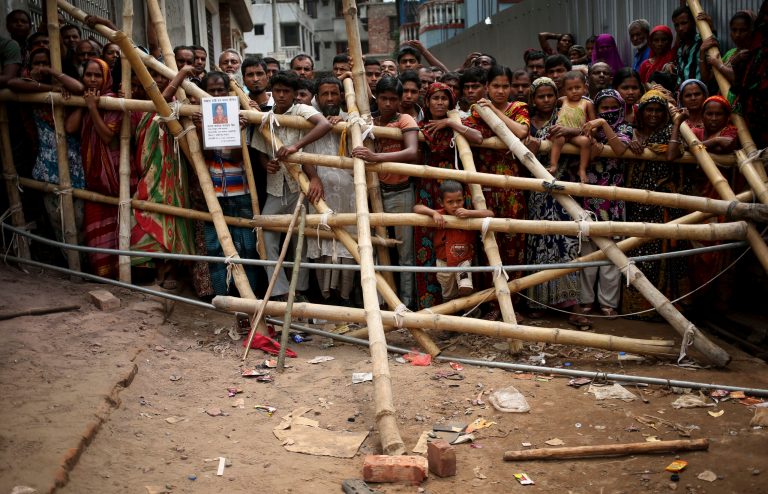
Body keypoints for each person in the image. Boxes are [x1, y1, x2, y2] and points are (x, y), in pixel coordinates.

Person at [251, 70, 331, 301]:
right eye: (278, 91)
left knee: (300, 243)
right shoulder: (266, 118)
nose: (282, 95)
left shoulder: (301, 111)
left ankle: (301, 291)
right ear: (272, 92)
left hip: (300, 185)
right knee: (267, 236)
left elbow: (323, 124)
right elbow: (260, 152)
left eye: (287, 91)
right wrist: (267, 165)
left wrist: (296, 146)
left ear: (295, 94)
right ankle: (280, 291)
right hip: (275, 187)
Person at [464, 65, 530, 320]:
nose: (501, 91)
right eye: (496, 86)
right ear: (487, 88)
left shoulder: (517, 108)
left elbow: (522, 131)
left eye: (505, 86)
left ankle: (513, 303)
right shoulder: (476, 109)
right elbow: (470, 132)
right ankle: (491, 303)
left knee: (514, 245)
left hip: (512, 188)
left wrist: (494, 113)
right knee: (488, 244)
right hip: (485, 188)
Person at [351, 77, 419, 309]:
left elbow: (411, 151)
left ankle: (406, 301)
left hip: (401, 191)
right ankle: (383, 300)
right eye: (383, 98)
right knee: (378, 246)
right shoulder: (370, 119)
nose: (388, 103)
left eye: (393, 99)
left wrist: (377, 158)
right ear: (376, 99)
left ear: (400, 101)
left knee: (404, 251)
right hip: (375, 192)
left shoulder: (404, 119)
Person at [413, 82, 483, 308]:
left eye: (444, 98)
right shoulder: (419, 125)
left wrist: (451, 123)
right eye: (435, 98)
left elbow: (478, 137)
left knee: (466, 240)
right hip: (429, 189)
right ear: (427, 101)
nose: (440, 102)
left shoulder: (459, 123)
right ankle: (434, 306)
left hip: (456, 189)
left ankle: (469, 306)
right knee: (428, 242)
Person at [622, 90, 690, 318]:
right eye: (649, 110)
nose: (653, 114)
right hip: (636, 204)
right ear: (640, 112)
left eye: (658, 110)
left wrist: (677, 123)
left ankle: (663, 308)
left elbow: (671, 155)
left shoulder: (667, 133)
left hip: (662, 203)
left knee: (662, 255)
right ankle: (639, 309)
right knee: (637, 253)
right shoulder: (632, 132)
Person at [191, 71, 260, 296]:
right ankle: (223, 294)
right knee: (215, 246)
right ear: (204, 93)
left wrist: (236, 130)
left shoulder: (242, 116)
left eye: (221, 90)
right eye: (212, 91)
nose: (217, 94)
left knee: (247, 245)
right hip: (213, 193)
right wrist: (203, 129)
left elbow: (238, 156)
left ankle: (248, 293)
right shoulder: (196, 117)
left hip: (239, 189)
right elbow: (199, 154)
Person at [523, 77, 585, 326]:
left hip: (563, 191)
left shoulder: (566, 116)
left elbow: (587, 132)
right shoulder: (526, 122)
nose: (546, 100)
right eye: (541, 96)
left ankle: (571, 305)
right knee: (538, 244)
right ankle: (537, 302)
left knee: (565, 244)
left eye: (550, 95)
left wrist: (572, 132)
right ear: (533, 99)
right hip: (536, 191)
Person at [8, 48, 85, 249]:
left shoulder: (64, 82)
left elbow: (78, 87)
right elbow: (12, 83)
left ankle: (82, 260)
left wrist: (53, 74)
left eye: (46, 63)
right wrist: (49, 88)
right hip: (46, 160)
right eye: (37, 63)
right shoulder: (31, 85)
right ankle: (68, 259)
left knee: (78, 216)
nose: (41, 68)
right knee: (56, 216)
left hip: (73, 157)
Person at [131, 65, 197, 289]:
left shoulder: (176, 106)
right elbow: (161, 99)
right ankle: (155, 269)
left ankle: (170, 271)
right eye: (153, 76)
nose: (157, 80)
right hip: (150, 171)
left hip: (173, 171)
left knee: (175, 216)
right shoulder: (138, 107)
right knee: (148, 212)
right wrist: (181, 74)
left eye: (162, 76)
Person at [65, 58, 123, 278]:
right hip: (92, 172)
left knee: (117, 220)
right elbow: (70, 128)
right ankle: (101, 274)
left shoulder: (113, 101)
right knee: (95, 218)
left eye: (97, 75)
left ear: (106, 77)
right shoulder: (86, 100)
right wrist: (84, 103)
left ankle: (120, 273)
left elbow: (108, 136)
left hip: (113, 172)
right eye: (88, 75)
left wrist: (92, 107)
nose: (92, 79)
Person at [578, 89, 633, 318]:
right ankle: (585, 300)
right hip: (589, 197)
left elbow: (620, 149)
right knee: (588, 254)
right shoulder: (586, 127)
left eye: (613, 107)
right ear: (595, 108)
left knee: (612, 254)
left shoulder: (625, 128)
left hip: (613, 200)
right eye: (604, 108)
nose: (609, 111)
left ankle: (608, 303)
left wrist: (603, 124)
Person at [305, 77, 356, 306]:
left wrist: (344, 123)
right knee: (322, 241)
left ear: (341, 96)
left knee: (350, 243)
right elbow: (303, 153)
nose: (329, 99)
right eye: (324, 94)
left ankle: (345, 297)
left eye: (334, 94)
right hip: (321, 194)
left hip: (350, 196)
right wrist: (313, 176)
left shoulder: (350, 119)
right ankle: (325, 297)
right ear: (317, 96)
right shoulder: (308, 120)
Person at [414, 180, 493, 301]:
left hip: (463, 260)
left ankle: (471, 313)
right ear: (441, 202)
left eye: (459, 201)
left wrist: (470, 213)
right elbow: (417, 207)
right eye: (450, 202)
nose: (455, 205)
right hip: (443, 262)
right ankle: (454, 315)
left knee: (466, 287)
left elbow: (490, 214)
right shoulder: (440, 214)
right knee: (448, 295)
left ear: (464, 199)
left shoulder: (468, 213)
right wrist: (433, 213)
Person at [549, 70, 595, 183]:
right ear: (564, 90)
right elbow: (552, 109)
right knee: (558, 139)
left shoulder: (587, 104)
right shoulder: (562, 100)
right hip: (561, 133)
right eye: (570, 89)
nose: (574, 91)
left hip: (576, 134)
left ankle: (582, 169)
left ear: (585, 88)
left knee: (585, 142)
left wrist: (590, 132)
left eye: (577, 87)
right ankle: (553, 165)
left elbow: (593, 123)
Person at [671, 6, 706, 84]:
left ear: (694, 22)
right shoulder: (681, 47)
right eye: (677, 25)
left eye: (684, 23)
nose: (680, 28)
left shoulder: (702, 41)